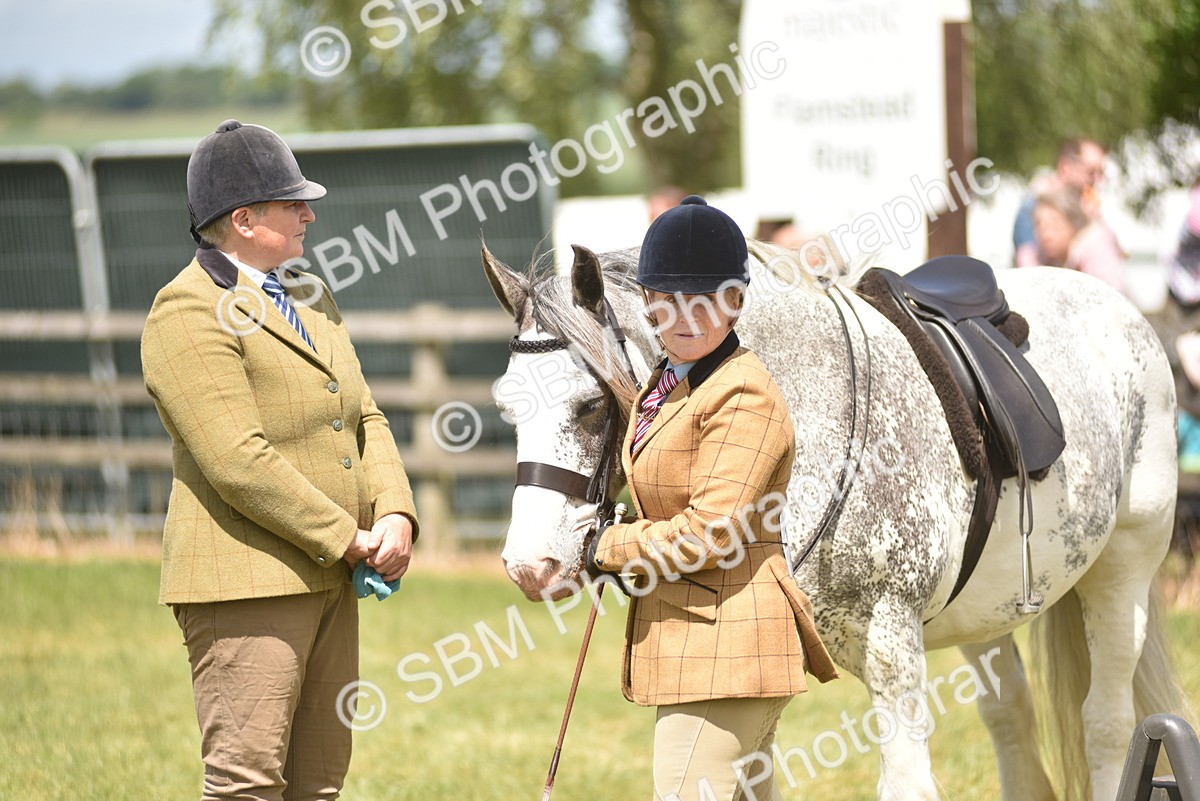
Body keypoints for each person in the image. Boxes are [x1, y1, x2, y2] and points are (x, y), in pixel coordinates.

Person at [141, 119, 419, 801]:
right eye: (292, 203)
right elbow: (237, 459)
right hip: (247, 584)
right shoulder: (185, 312)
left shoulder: (310, 293)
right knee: (248, 782)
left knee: (319, 782)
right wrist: (347, 537)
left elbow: (363, 414)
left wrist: (397, 513)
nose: (309, 213)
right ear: (243, 218)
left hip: (332, 580)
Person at [585, 195, 838, 801]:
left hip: (730, 640)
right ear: (646, 302)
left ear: (736, 301)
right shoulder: (670, 382)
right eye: (668, 299)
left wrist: (607, 545)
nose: (686, 315)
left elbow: (710, 533)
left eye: (706, 299)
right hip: (701, 637)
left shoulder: (743, 393)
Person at [1013, 137, 1111, 268]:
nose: (1098, 180)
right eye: (1091, 172)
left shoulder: (1084, 205)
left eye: (1101, 173)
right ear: (1065, 168)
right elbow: (1027, 262)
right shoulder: (1036, 204)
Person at [1032, 188, 1126, 293]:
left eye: (1055, 224)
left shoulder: (1095, 245)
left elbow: (1111, 296)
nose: (1045, 235)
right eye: (1038, 224)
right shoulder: (1042, 257)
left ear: (1073, 223)